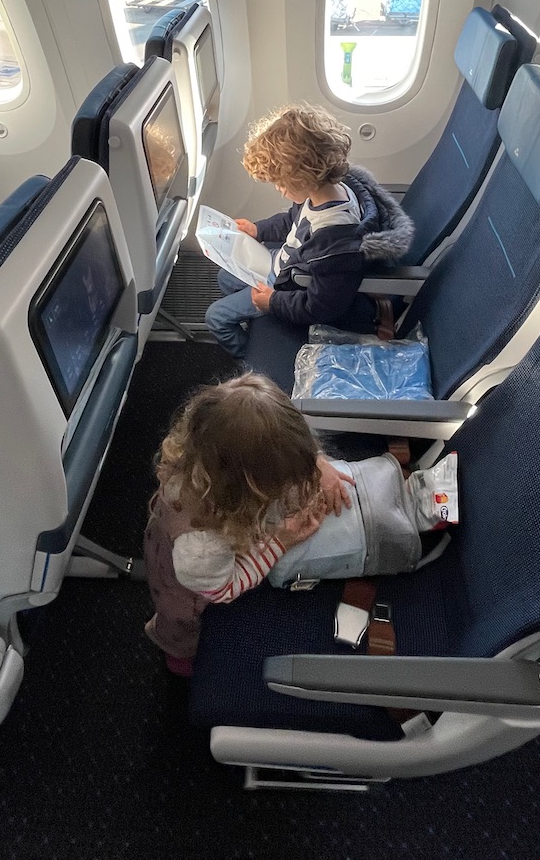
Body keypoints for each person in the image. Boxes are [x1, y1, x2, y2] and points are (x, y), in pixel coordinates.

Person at [143, 374, 457, 675]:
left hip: (208, 536)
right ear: (252, 490)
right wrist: (281, 543)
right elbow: (224, 588)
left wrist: (318, 465)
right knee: (181, 624)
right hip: (189, 587)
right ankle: (178, 655)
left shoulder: (213, 439)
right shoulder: (200, 549)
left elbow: (282, 443)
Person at [205, 103, 412, 360]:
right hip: (286, 266)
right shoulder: (331, 189)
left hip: (290, 288)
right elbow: (292, 220)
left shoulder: (336, 243)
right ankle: (254, 316)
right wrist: (258, 229)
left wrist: (273, 302)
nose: (279, 190)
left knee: (216, 317)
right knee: (225, 278)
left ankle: (250, 360)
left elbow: (322, 306)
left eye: (281, 183)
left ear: (304, 177)